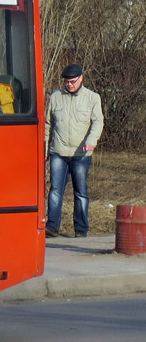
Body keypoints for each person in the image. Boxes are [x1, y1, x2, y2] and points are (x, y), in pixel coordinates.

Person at [45, 64, 104, 238]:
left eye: (73, 81)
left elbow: (98, 122)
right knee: (55, 190)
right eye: (66, 81)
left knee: (81, 192)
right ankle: (52, 226)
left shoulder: (92, 98)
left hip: (81, 155)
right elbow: (48, 124)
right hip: (58, 152)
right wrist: (44, 148)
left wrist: (91, 141)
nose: (69, 84)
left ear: (81, 79)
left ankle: (81, 229)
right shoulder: (55, 97)